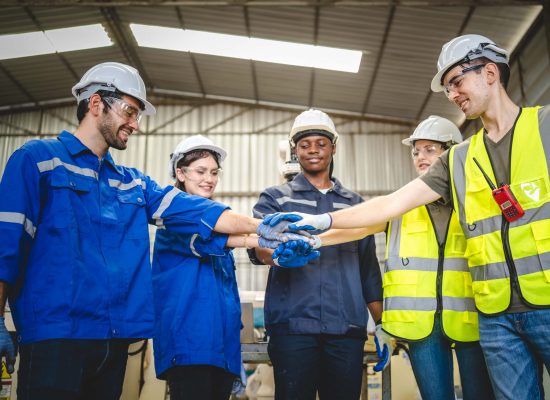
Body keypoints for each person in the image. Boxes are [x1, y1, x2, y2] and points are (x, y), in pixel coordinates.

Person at [267, 34, 550, 399]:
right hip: (496, 317)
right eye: (447, 88)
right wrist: (324, 223)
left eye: (456, 81)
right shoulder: (460, 159)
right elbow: (391, 204)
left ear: (490, 72)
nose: (453, 94)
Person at [0, 61, 303, 399]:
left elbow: (197, 211)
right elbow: (5, 248)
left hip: (112, 342)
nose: (135, 125)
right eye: (130, 112)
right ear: (96, 103)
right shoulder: (39, 161)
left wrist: (262, 227)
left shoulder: (132, 183)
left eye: (138, 116)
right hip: (55, 339)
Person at [323, 115, 493, 399]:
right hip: (421, 329)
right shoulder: (400, 205)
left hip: (472, 320)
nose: (420, 158)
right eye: (416, 151)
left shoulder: (475, 203)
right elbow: (355, 229)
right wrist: (314, 235)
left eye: (430, 149)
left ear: (453, 151)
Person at [152, 135, 309, 400]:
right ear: (180, 172)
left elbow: (227, 240)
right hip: (190, 345)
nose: (209, 179)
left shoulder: (214, 220)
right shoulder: (174, 218)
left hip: (220, 347)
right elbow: (224, 237)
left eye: (214, 172)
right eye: (200, 171)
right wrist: (263, 232)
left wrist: (275, 244)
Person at [249, 108, 383, 400]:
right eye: (304, 144)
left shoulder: (355, 205)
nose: (312, 150)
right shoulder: (275, 198)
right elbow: (256, 246)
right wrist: (277, 253)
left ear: (333, 147)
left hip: (345, 328)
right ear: (295, 150)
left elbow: (369, 269)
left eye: (320, 144)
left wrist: (383, 325)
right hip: (292, 328)